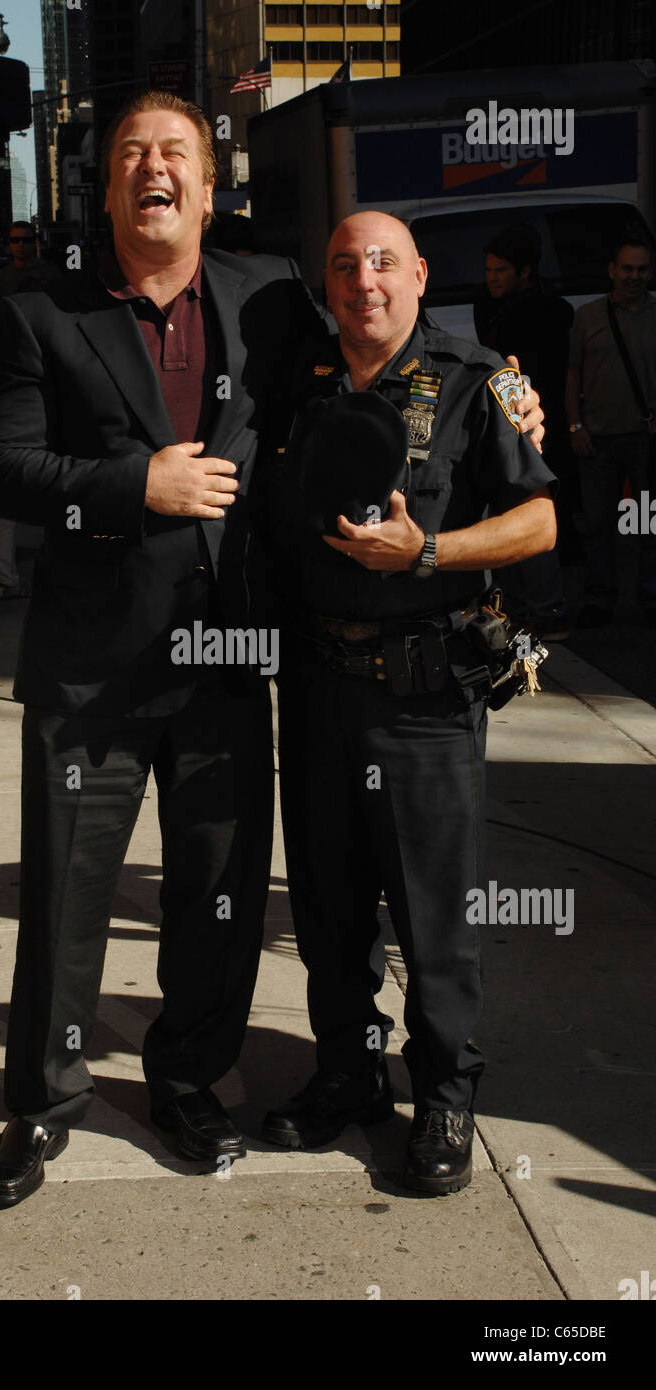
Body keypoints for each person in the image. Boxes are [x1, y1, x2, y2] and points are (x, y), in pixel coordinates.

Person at [0, 90, 322, 1207]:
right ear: (106, 188)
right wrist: (136, 484)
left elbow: (368, 373)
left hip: (223, 657)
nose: (153, 167)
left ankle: (185, 1079)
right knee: (68, 901)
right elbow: (1, 469)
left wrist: (497, 399)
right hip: (90, 670)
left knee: (214, 894)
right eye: (131, 154)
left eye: (175, 153)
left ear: (210, 190)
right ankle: (41, 1106)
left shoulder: (267, 297)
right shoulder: (42, 315)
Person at [262, 211, 556, 1195]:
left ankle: (442, 1092)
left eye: (382, 263)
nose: (363, 282)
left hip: (424, 692)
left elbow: (540, 518)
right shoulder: (297, 385)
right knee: (328, 902)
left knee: (432, 912)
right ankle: (346, 1074)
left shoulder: (477, 379)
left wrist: (426, 550)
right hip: (315, 686)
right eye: (342, 266)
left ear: (420, 276)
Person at [475, 224, 573, 639]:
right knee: (505, 516)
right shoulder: (487, 306)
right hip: (504, 425)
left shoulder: (554, 313)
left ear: (525, 272)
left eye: (501, 270)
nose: (491, 277)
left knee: (532, 515)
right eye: (489, 269)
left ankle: (547, 611)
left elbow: (558, 375)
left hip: (537, 427)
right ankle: (521, 605)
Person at [565, 234, 656, 628]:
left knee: (645, 521)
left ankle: (650, 597)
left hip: (645, 439)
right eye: (627, 269)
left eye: (642, 270)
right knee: (599, 523)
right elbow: (573, 374)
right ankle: (600, 599)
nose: (634, 277)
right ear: (612, 271)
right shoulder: (587, 316)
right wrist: (575, 425)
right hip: (597, 439)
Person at [0, 223, 61, 599]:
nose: (20, 246)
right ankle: (5, 576)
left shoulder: (51, 276)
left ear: (36, 242)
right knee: (12, 490)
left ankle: (45, 570)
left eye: (26, 240)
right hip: (18, 390)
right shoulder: (1, 279)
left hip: (52, 389)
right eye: (14, 240)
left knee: (58, 484)